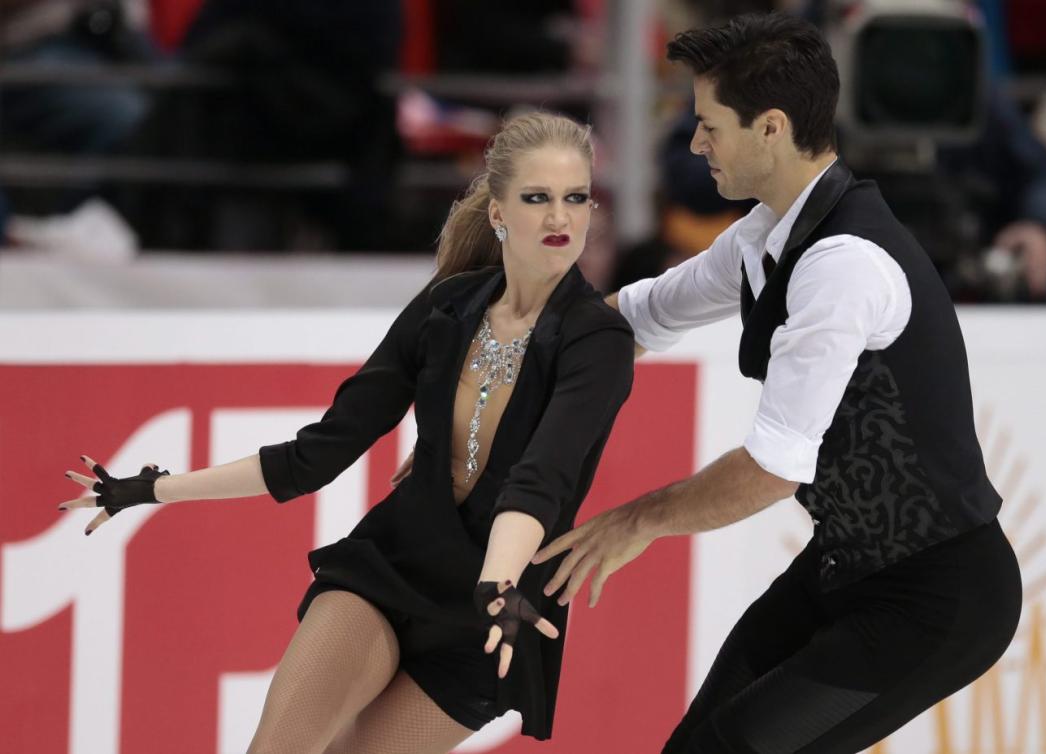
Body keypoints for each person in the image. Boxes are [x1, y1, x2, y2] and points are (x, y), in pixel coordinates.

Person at [58, 112, 635, 754]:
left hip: (486, 622)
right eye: (539, 198)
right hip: (389, 574)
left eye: (576, 197)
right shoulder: (446, 308)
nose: (562, 218)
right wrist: (155, 489)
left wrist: (497, 581)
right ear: (498, 211)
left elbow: (541, 480)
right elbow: (319, 452)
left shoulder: (597, 341)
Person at [535, 14, 1022, 754]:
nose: (695, 145)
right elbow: (634, 319)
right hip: (844, 567)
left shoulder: (842, 265)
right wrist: (498, 364)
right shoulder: (766, 234)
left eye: (708, 126)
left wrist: (633, 522)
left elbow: (771, 468)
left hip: (936, 597)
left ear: (769, 128)